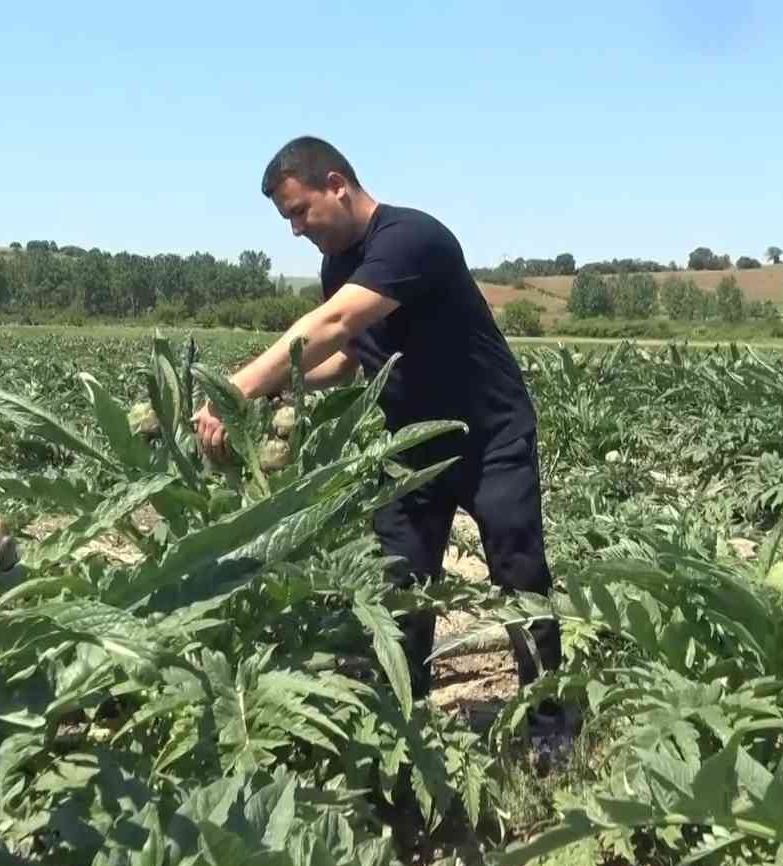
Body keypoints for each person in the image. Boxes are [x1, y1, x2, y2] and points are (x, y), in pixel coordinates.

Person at [193, 136, 563, 722]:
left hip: (490, 438)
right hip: (412, 445)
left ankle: (550, 721)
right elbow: (353, 353)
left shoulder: (411, 238)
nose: (294, 230)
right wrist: (289, 386)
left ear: (336, 184)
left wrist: (236, 389)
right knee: (399, 582)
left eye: (298, 212)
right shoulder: (339, 264)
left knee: (519, 576)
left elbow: (336, 321)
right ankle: (401, 716)